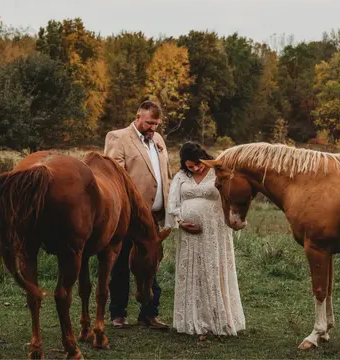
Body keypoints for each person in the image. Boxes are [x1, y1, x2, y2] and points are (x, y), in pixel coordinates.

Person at [166, 142, 246, 339]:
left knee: (213, 268)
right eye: (190, 166)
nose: (195, 168)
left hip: (214, 230)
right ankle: (192, 318)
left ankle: (217, 319)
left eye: (197, 164)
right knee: (193, 271)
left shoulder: (217, 171)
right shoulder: (181, 176)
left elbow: (231, 196)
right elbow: (173, 203)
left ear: (203, 158)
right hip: (188, 234)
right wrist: (180, 222)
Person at [104, 100, 172, 330]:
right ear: (138, 117)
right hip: (128, 216)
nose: (153, 128)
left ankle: (149, 314)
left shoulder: (158, 139)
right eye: (149, 123)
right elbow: (114, 176)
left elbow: (165, 174)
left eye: (156, 124)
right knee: (121, 264)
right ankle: (118, 314)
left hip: (153, 217)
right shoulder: (118, 138)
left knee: (151, 264)